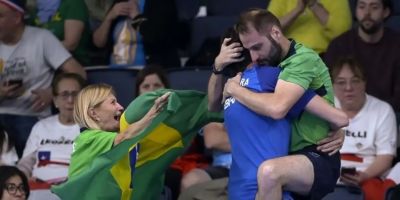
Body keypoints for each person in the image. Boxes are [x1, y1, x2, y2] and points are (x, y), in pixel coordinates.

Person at [209, 9, 347, 199]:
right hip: (288, 158)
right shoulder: (271, 67)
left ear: (275, 33)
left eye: (257, 47)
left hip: (316, 155)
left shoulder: (299, 60)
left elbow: (278, 109)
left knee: (269, 173)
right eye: (248, 50)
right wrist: (218, 66)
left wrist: (235, 90)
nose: (254, 57)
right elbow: (212, 106)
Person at [0, 0, 87, 158]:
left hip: (31, 116)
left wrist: (51, 93)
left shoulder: (41, 38)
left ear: (17, 17)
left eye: (1, 16)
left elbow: (78, 73)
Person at [68, 83, 169, 192]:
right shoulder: (88, 138)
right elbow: (126, 137)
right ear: (93, 113)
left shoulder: (104, 138)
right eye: (113, 102)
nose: (121, 107)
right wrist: (154, 112)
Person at [327, 57, 397, 200]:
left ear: (364, 83)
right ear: (332, 85)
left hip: (370, 174)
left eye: (355, 81)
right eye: (341, 82)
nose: (348, 88)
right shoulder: (324, 107)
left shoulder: (382, 110)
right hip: (330, 171)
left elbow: (386, 156)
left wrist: (364, 175)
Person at [324, 0, 400, 113]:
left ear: (386, 12)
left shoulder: (396, 45)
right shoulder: (339, 46)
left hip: (388, 114)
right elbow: (327, 90)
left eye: (374, 7)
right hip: (345, 114)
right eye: (362, 6)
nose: (367, 13)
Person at [17, 73, 85, 186]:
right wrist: (23, 179)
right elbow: (26, 163)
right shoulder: (41, 127)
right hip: (38, 187)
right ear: (55, 101)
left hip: (74, 188)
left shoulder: (92, 128)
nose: (70, 100)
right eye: (64, 94)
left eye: (75, 94)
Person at [91, 0, 181, 68]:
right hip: (114, 71)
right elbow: (98, 43)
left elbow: (155, 36)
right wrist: (109, 18)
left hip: (146, 74)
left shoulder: (161, 3)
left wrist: (136, 16)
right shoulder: (119, 2)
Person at [267, 0, 351, 54]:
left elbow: (342, 34)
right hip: (288, 57)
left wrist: (313, 4)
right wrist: (298, 10)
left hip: (322, 57)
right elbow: (267, 31)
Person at [25, 0, 91, 65]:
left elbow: (70, 44)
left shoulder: (74, 3)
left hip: (71, 63)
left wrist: (38, 50)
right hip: (41, 64)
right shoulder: (36, 8)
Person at [180, 122, 232, 191]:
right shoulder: (220, 114)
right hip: (226, 168)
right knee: (191, 180)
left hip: (249, 167)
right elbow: (213, 139)